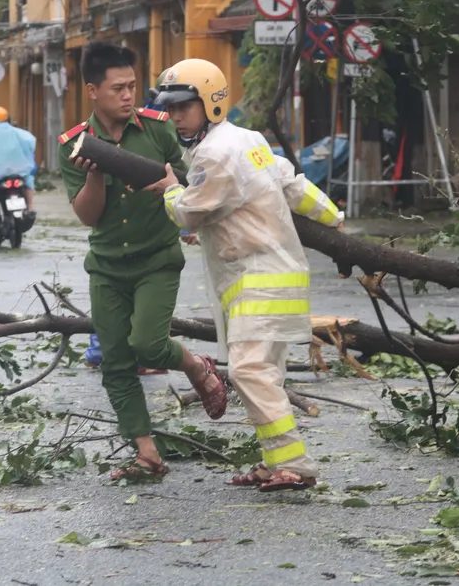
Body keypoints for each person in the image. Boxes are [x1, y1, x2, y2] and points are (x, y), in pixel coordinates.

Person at [144, 58, 345, 492]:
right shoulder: (247, 139)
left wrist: (170, 191)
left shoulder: (214, 154)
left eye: (184, 106)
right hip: (276, 274)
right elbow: (289, 182)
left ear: (211, 105)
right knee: (263, 375)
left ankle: (296, 466)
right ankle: (275, 463)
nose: (176, 115)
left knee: (250, 371)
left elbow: (192, 211)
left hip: (259, 278)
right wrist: (334, 216)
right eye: (170, 107)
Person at [58, 42, 227, 482]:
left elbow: (193, 182)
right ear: (93, 91)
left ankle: (194, 365)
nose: (129, 95)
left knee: (148, 346)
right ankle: (147, 452)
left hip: (157, 260)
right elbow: (86, 216)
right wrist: (96, 171)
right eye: (118, 88)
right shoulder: (74, 145)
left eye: (133, 86)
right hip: (108, 267)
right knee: (115, 361)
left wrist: (183, 199)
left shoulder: (157, 129)